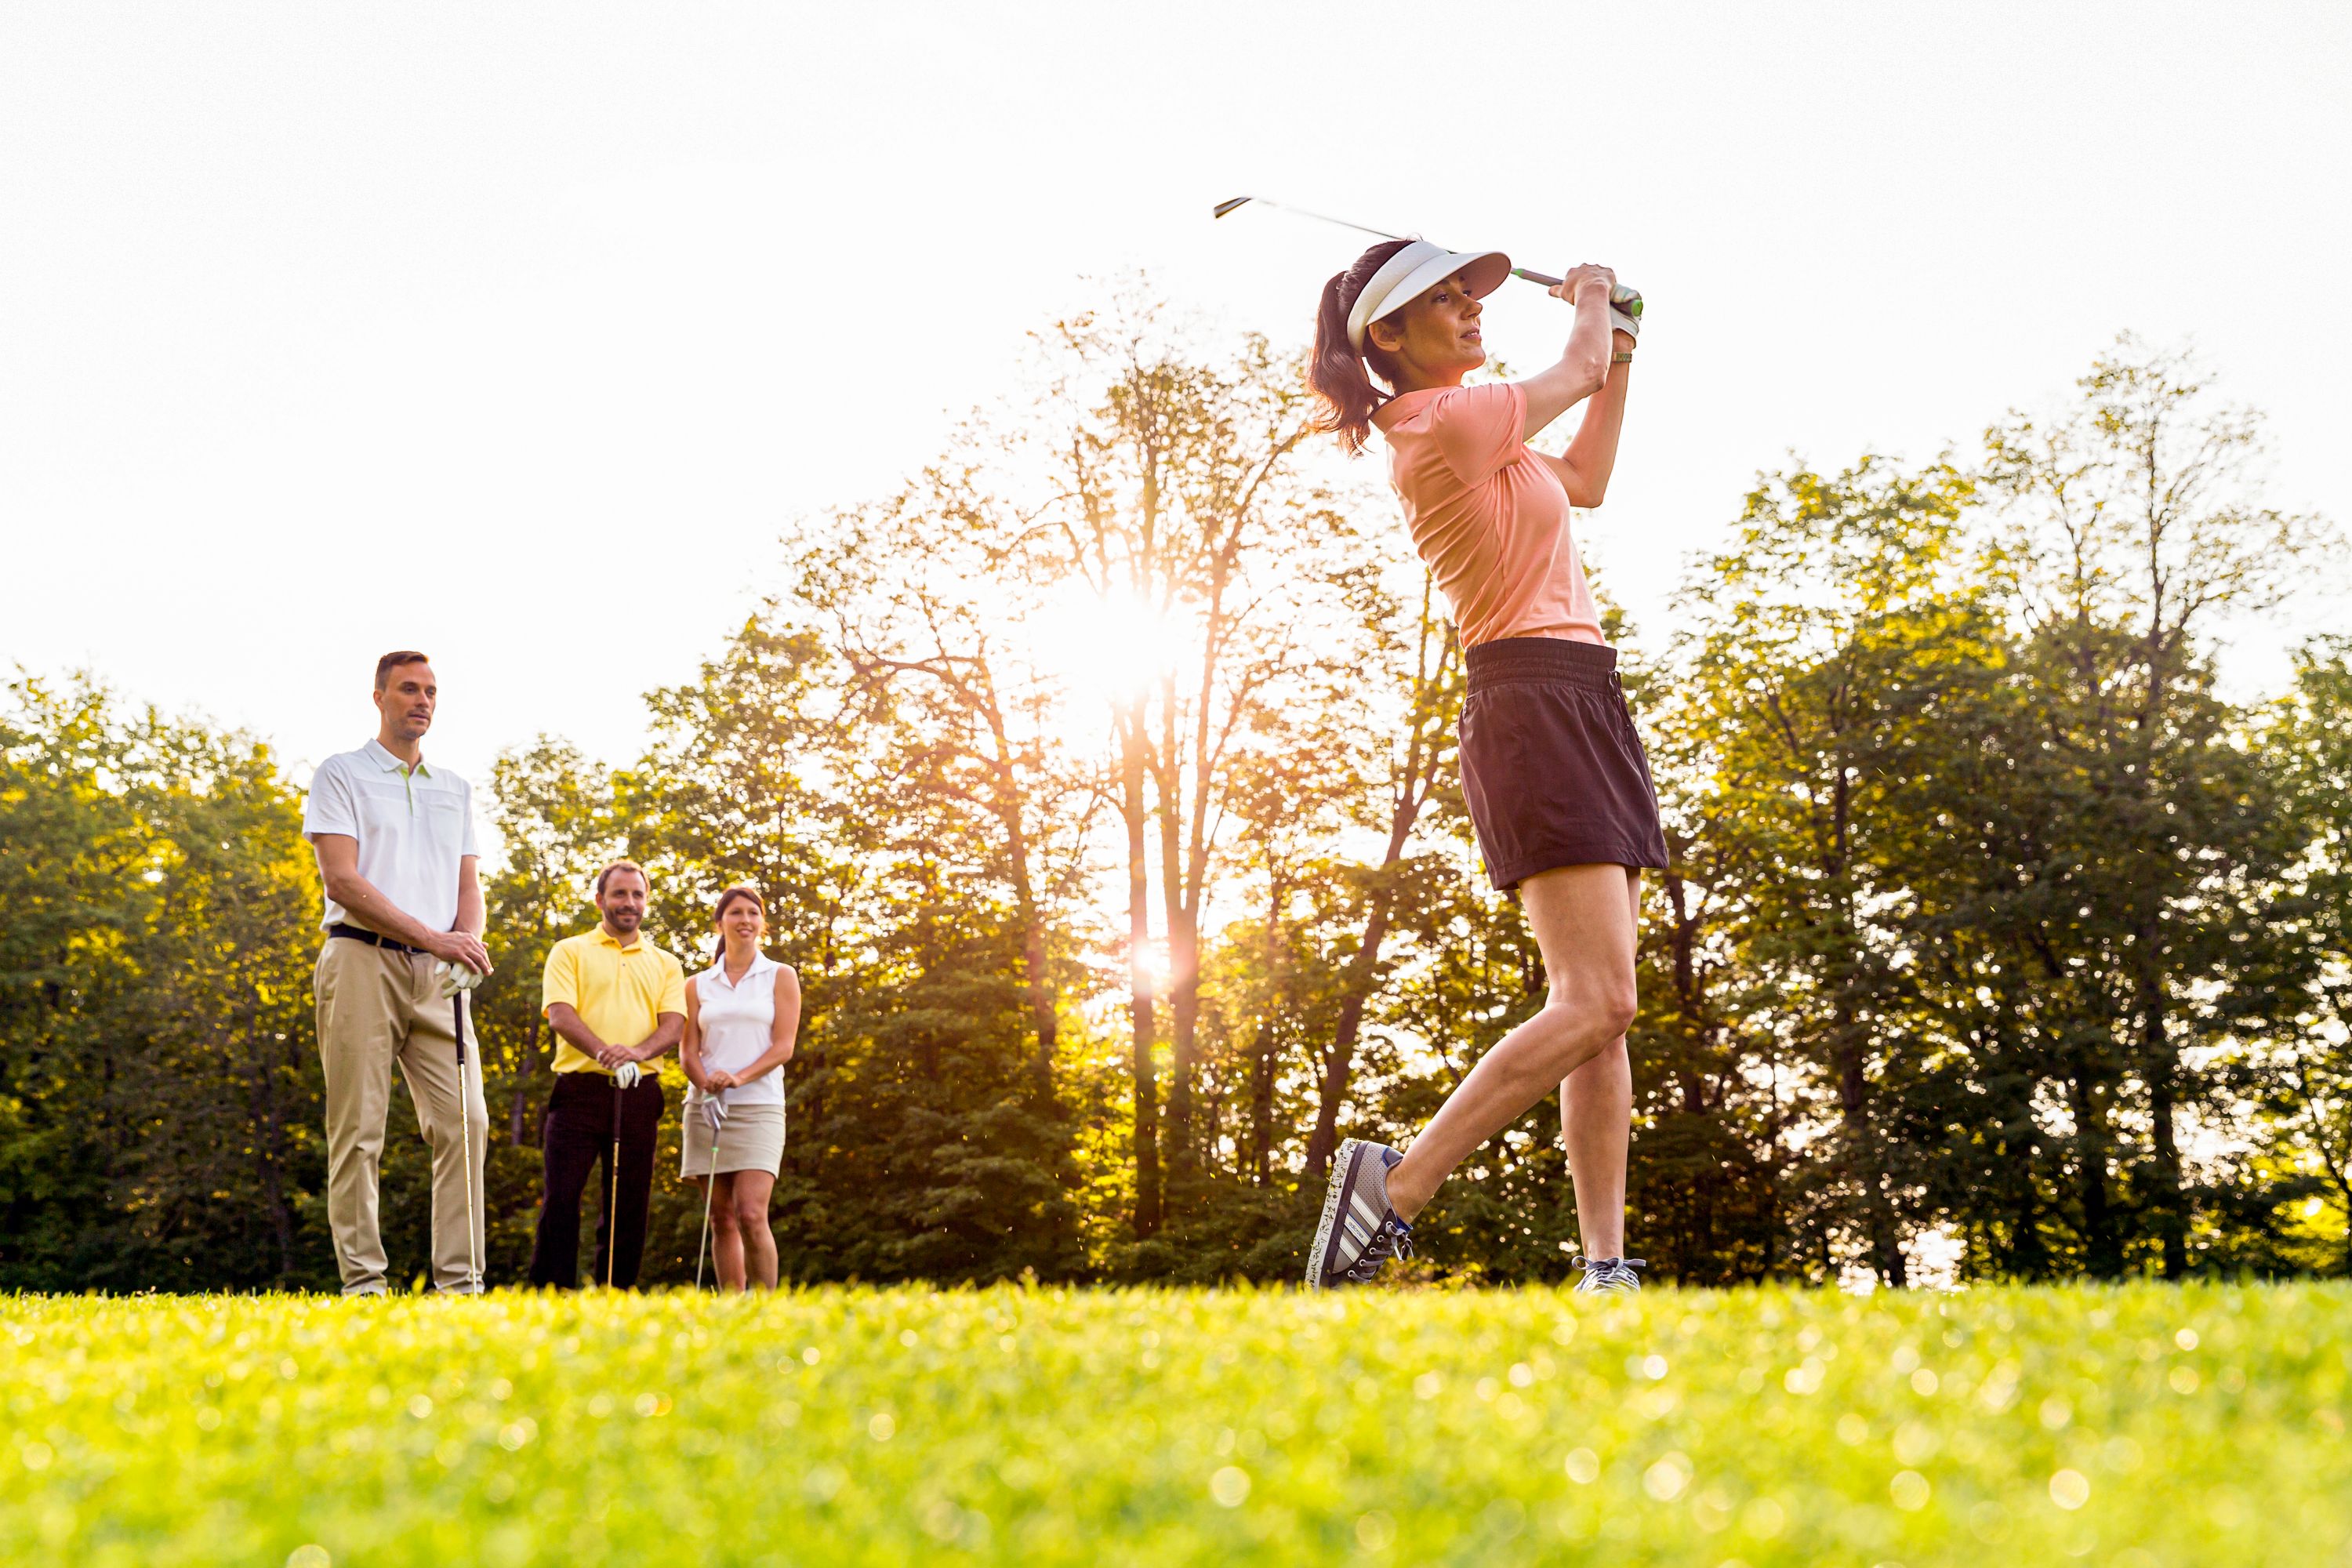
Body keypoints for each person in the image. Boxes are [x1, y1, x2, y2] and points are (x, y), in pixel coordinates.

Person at [1301, 239, 1660, 1294]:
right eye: (1447, 300)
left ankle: (1604, 1264)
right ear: (1388, 335)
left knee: (1601, 1008)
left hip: (1584, 693)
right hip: (1531, 701)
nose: (1472, 311)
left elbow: (1587, 479)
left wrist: (1621, 347)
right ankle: (1397, 1187)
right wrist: (1591, 300)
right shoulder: (1439, 421)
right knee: (1596, 1000)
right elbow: (1573, 369)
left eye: (1471, 297)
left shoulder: (1489, 434)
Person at [303, 650, 493, 1296]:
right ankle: (365, 1285)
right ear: (379, 697)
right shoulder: (342, 774)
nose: (423, 701)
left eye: (431, 691)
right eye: (409, 689)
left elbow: (468, 885)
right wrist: (434, 937)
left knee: (467, 1122)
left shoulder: (455, 788)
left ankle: (461, 1288)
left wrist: (467, 943)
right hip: (360, 960)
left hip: (440, 976)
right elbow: (342, 881)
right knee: (359, 1131)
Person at [527, 860, 685, 1289]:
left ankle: (617, 1293)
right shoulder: (569, 951)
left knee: (628, 1201)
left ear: (645, 901)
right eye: (619, 894)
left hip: (639, 1093)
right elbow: (560, 1015)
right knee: (562, 1195)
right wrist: (604, 1053)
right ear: (600, 900)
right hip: (578, 1092)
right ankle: (552, 1292)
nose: (628, 902)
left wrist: (636, 1054)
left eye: (637, 894)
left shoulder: (666, 963)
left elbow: (673, 1025)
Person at [680, 885, 800, 1292]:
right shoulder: (697, 984)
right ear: (720, 923)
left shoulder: (780, 975)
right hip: (705, 1109)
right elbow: (688, 1052)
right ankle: (732, 1307)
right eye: (735, 913)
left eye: (752, 912)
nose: (744, 920)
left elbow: (783, 1046)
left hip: (760, 1106)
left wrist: (737, 1079)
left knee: (750, 1213)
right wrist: (706, 1087)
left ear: (762, 923)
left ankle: (765, 1306)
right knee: (721, 1218)